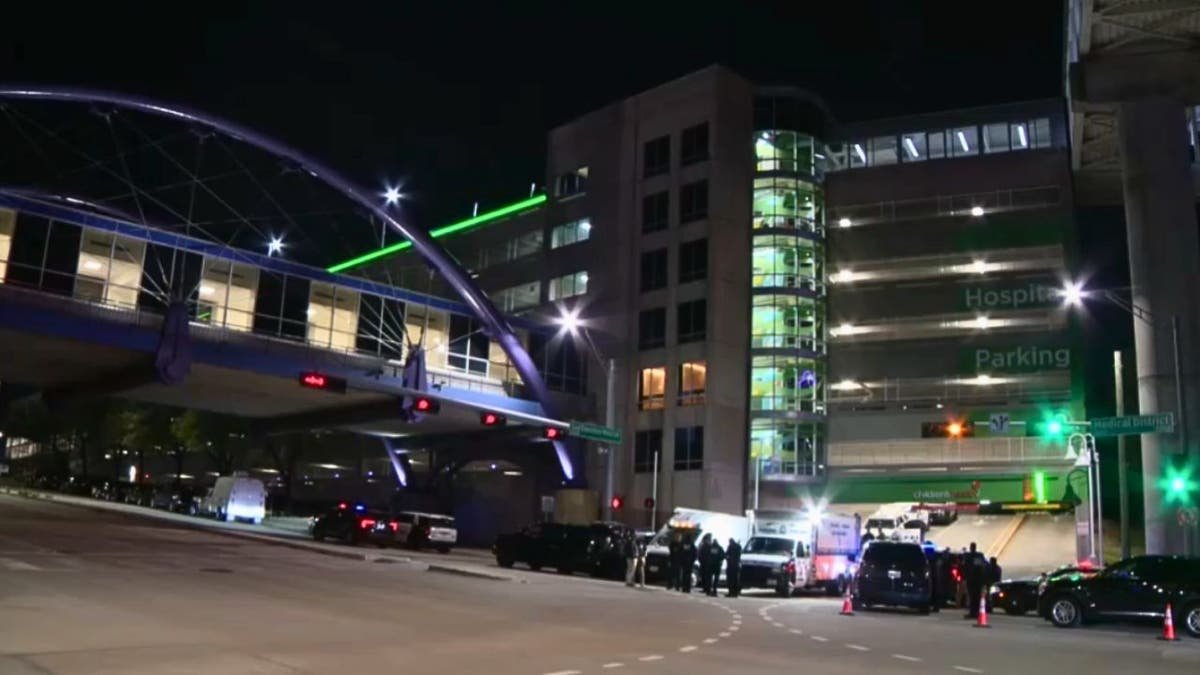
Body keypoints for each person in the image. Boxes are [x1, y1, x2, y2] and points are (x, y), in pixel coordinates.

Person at [964, 542, 984, 619]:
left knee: (972, 597)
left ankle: (973, 613)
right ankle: (975, 612)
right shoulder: (979, 556)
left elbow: (966, 566)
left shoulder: (968, 556)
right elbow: (981, 567)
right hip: (977, 580)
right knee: (976, 597)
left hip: (972, 579)